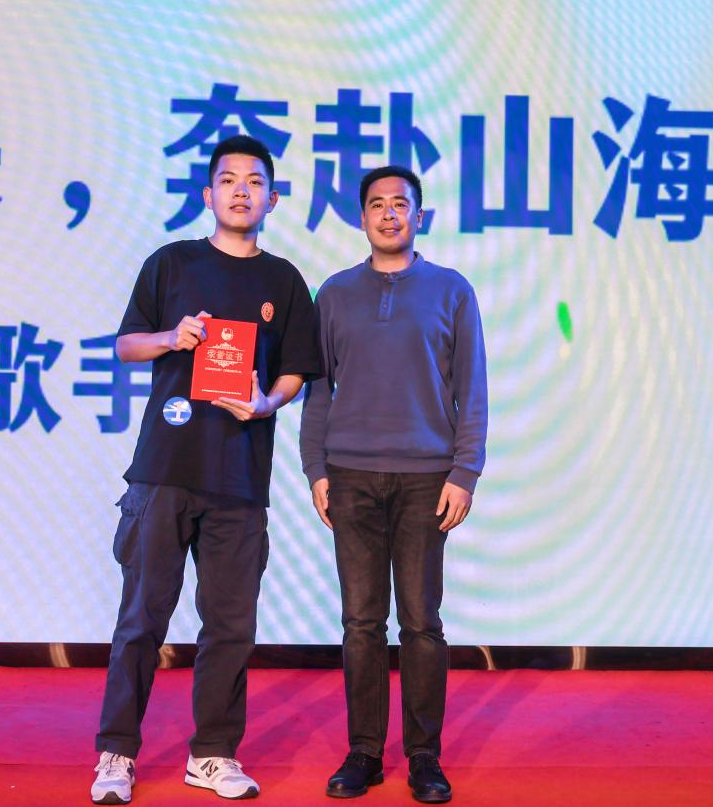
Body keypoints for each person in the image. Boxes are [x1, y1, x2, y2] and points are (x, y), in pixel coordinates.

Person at [91, 135, 322, 805]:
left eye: (254, 181)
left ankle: (214, 753)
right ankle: (116, 752)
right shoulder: (171, 263)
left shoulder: (284, 281)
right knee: (141, 619)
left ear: (272, 199)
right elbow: (126, 345)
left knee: (229, 626)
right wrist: (172, 337)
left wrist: (266, 401)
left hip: (239, 479)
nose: (241, 190)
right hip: (164, 470)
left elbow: (295, 372)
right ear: (208, 194)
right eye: (228, 180)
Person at [299, 165, 488, 803]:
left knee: (421, 623)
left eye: (400, 204)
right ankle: (364, 753)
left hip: (425, 480)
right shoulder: (334, 294)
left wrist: (464, 472)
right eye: (376, 204)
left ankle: (424, 757)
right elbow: (318, 391)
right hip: (350, 476)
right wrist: (316, 468)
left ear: (419, 216)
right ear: (362, 218)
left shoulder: (452, 291)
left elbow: (472, 391)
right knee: (360, 622)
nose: (388, 213)